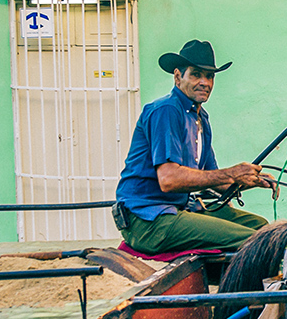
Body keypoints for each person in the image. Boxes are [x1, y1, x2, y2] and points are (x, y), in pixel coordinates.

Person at [113, 39, 273, 255]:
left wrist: (250, 181)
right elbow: (169, 180)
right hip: (148, 220)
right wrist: (232, 173)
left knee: (265, 230)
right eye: (196, 74)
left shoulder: (201, 118)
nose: (205, 82)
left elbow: (214, 178)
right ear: (178, 76)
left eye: (210, 76)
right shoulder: (166, 110)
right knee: (254, 241)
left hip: (179, 211)